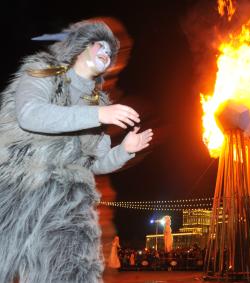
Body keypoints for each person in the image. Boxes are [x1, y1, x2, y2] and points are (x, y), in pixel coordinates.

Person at [0, 20, 153, 282]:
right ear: (82, 45)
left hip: (67, 205)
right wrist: (98, 114)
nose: (107, 53)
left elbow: (95, 164)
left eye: (111, 53)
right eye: (101, 46)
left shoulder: (98, 103)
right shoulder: (43, 73)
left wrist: (125, 150)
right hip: (20, 188)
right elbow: (30, 114)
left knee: (71, 273)